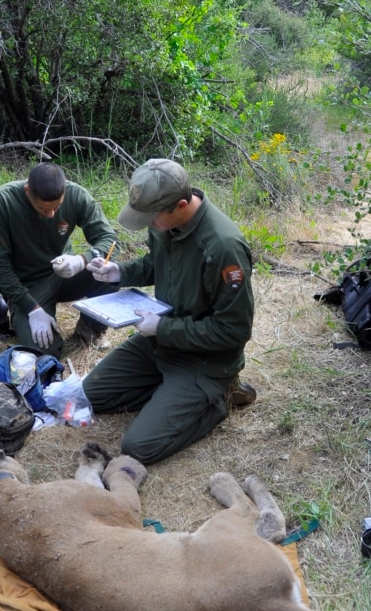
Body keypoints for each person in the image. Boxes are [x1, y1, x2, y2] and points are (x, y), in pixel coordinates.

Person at [82, 158, 256, 466]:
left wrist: (162, 329)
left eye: (152, 217)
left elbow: (234, 330)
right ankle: (170, 393)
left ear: (181, 204)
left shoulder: (222, 247)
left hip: (204, 360)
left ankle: (220, 398)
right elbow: (157, 264)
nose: (149, 224)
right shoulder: (166, 225)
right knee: (92, 394)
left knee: (139, 447)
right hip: (160, 342)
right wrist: (119, 272)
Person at [0, 162, 120, 358]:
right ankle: (25, 315)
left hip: (65, 272)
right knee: (45, 351)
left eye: (57, 207)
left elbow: (111, 240)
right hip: (28, 286)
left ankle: (90, 329)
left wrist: (81, 260)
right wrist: (31, 308)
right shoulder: (2, 201)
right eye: (43, 208)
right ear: (28, 191)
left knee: (111, 272)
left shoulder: (76, 195)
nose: (51, 214)